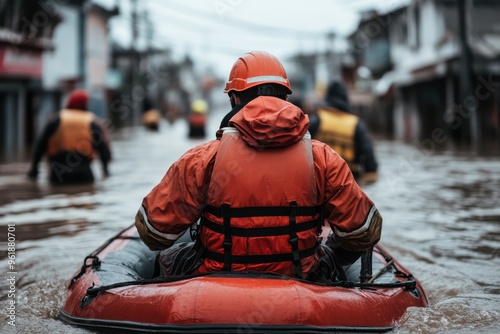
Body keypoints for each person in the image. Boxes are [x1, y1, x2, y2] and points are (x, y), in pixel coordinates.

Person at [134, 51, 382, 281]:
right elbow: (362, 233)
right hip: (303, 279)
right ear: (285, 97)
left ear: (234, 98)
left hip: (216, 281)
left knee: (165, 259)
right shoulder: (323, 158)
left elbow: (154, 232)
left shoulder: (202, 159)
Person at [27, 89, 112, 184]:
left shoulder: (56, 119)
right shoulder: (92, 122)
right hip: (84, 173)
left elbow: (40, 145)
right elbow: (102, 149)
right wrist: (105, 171)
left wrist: (34, 170)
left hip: (59, 173)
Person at [309, 81, 379, 183]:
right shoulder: (356, 124)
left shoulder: (316, 120)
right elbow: (370, 163)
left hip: (318, 181)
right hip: (346, 182)